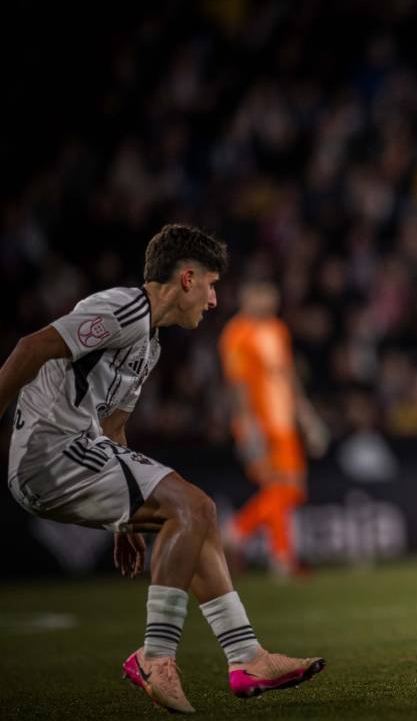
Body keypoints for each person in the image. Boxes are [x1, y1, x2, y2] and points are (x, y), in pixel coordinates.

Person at [1, 224, 325, 713]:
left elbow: (112, 428)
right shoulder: (123, 308)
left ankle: (246, 656)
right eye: (212, 285)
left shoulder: (148, 344)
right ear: (188, 279)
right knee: (191, 506)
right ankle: (155, 655)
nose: (214, 300)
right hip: (49, 451)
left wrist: (122, 519)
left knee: (201, 516)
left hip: (80, 451)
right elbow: (30, 348)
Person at [219, 279, 328, 577]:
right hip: (258, 423)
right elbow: (237, 384)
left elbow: (288, 376)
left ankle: (235, 532)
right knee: (279, 487)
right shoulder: (237, 333)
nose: (269, 301)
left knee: (291, 490)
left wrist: (307, 417)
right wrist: (248, 425)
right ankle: (281, 557)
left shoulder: (278, 329)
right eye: (262, 294)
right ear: (247, 296)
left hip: (284, 422)